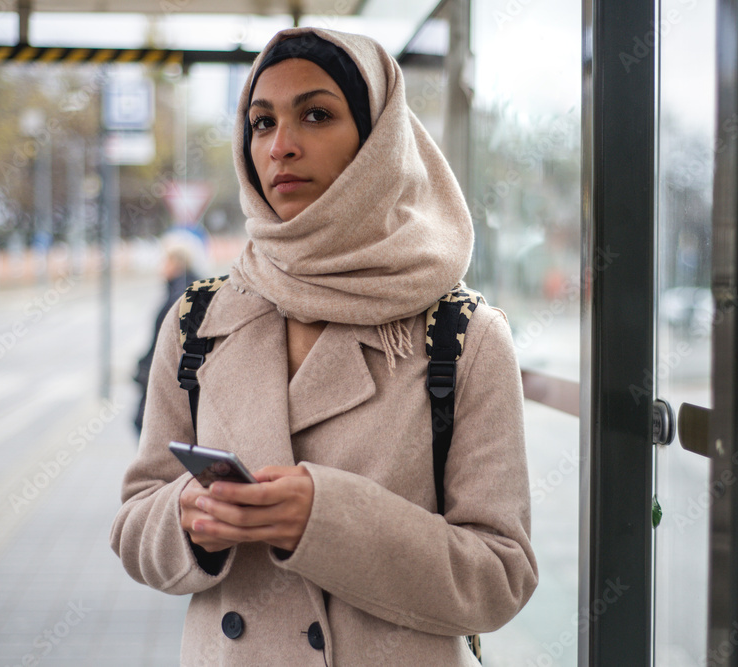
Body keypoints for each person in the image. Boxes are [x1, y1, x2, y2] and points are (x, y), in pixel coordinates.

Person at [110, 26, 537, 666]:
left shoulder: (464, 336)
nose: (280, 146)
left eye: (316, 114)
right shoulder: (196, 319)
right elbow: (134, 522)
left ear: (377, 140)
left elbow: (500, 576)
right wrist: (188, 518)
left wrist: (326, 518)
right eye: (260, 122)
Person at [132, 230, 206, 434]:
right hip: (185, 388)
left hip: (170, 387)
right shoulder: (197, 288)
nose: (160, 264)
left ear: (175, 262)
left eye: (163, 259)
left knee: (148, 431)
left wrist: (142, 373)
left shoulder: (177, 298)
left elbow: (162, 347)